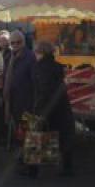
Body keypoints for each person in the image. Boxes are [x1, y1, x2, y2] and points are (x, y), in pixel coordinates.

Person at [31, 41, 75, 176]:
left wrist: (38, 108)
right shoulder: (57, 66)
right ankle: (67, 167)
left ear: (41, 52)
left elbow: (44, 89)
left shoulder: (40, 67)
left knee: (40, 133)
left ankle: (34, 169)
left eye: (36, 52)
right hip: (61, 104)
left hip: (47, 105)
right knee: (62, 135)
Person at [4, 30, 35, 140]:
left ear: (24, 42)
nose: (16, 45)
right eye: (13, 43)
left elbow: (34, 81)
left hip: (27, 101)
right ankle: (21, 150)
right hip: (13, 99)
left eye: (19, 42)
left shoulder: (31, 57)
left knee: (26, 130)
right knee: (18, 129)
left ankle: (26, 152)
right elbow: (6, 76)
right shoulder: (9, 57)